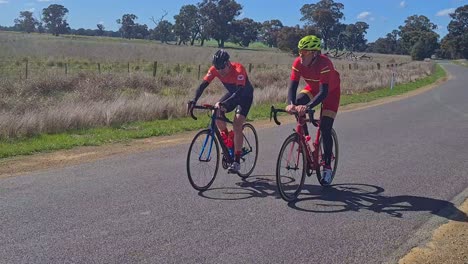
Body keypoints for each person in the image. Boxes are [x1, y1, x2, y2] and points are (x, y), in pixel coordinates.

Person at [285, 35, 341, 184]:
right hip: (312, 88)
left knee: (325, 127)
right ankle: (307, 142)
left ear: (315, 53)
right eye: (299, 52)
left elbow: (323, 93)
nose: (300, 56)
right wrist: (291, 103)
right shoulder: (298, 62)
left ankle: (327, 167)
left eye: (304, 53)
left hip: (330, 92)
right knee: (298, 103)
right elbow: (293, 86)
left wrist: (308, 107)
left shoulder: (325, 63)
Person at [187, 49, 254, 173]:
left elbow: (239, 93)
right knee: (216, 113)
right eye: (217, 68)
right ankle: (229, 141)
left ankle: (237, 161)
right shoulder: (215, 70)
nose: (220, 71)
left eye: (222, 68)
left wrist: (224, 103)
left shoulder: (239, 69)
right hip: (232, 94)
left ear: (228, 63)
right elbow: (202, 85)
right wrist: (194, 100)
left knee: (237, 123)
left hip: (244, 96)